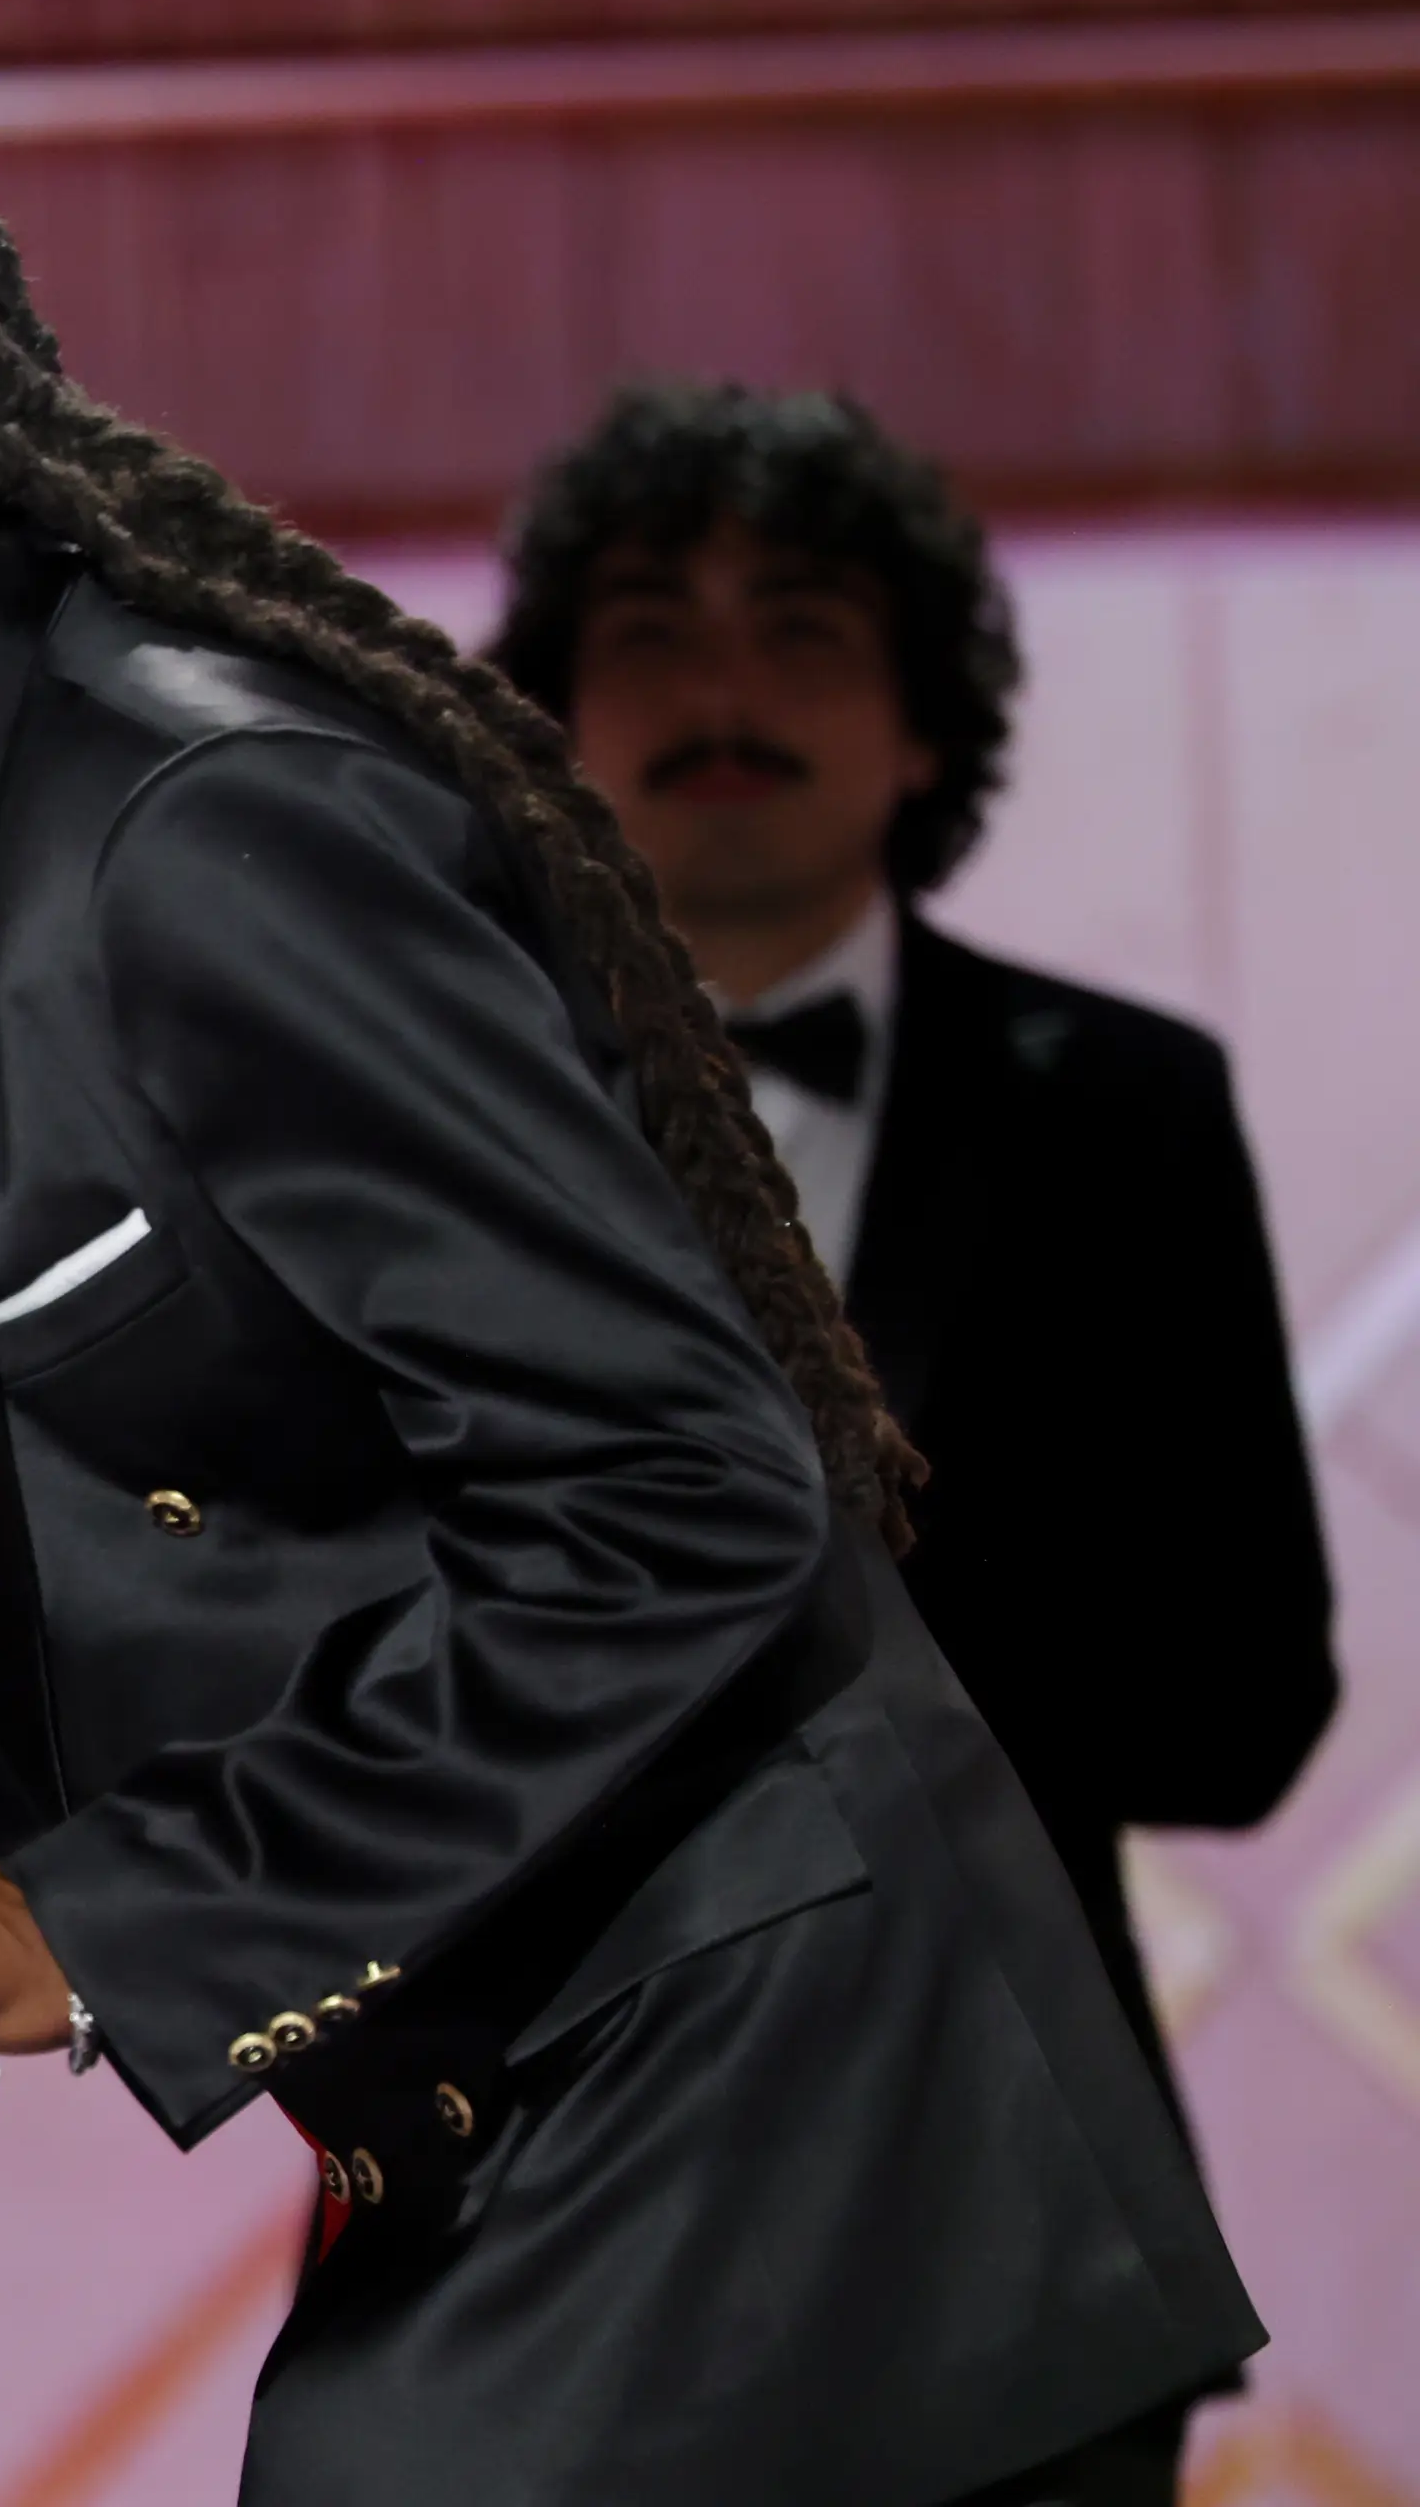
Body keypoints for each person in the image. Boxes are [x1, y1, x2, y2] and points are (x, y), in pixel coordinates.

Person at [0, 107, 1262, 2503]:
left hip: (800, 2176)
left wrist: (80, 1925)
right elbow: (86, 1593)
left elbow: (678, 1494)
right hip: (569, 2137)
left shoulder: (190, 824)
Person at [488, 380, 1338, 2496]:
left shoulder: (1127, 1110)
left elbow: (1246, 1700)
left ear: (927, 724)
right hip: (535, 2206)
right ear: (550, 721)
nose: (726, 695)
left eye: (802, 630)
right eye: (654, 636)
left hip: (1019, 2211)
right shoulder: (432, 1116)